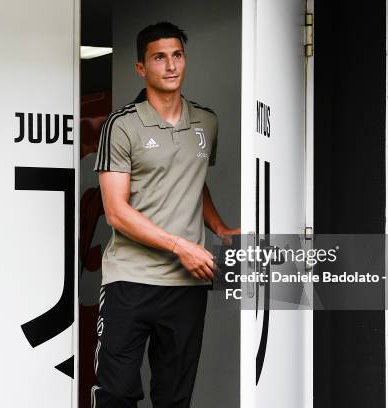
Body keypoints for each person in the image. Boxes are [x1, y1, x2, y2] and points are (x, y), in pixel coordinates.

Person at [91, 21, 239, 408]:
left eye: (177, 55)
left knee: (175, 399)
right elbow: (116, 212)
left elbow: (190, 180)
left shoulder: (206, 122)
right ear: (141, 68)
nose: (171, 65)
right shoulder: (122, 126)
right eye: (159, 57)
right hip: (130, 281)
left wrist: (219, 226)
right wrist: (180, 246)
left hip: (186, 288)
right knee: (116, 393)